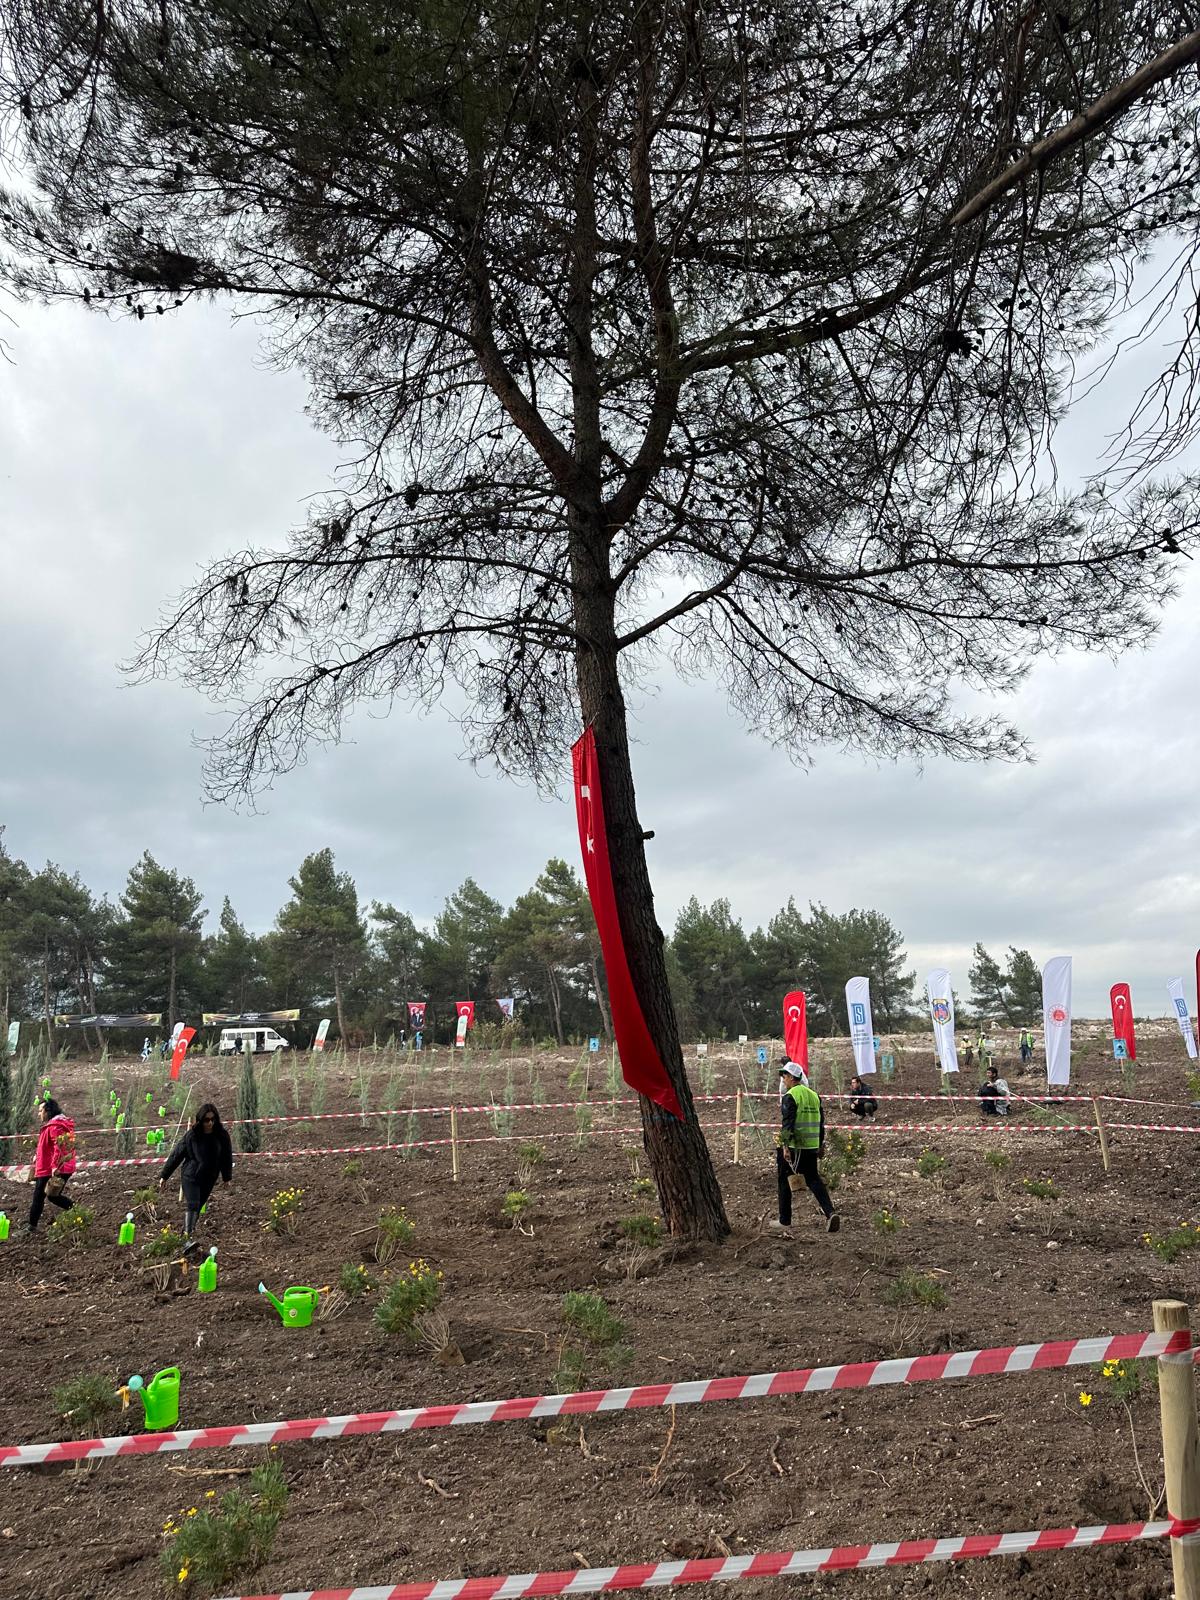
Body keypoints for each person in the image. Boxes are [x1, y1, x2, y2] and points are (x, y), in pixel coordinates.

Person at [772, 1064, 840, 1233]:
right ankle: (830, 1213)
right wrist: (821, 1144)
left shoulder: (791, 1096)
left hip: (795, 1146)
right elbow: (820, 1123)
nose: (783, 1079)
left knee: (783, 1180)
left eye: (785, 1076)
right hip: (811, 1147)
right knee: (813, 1179)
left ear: (792, 1078)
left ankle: (784, 1220)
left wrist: (785, 1147)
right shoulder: (814, 1096)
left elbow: (787, 1123)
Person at [159, 1102, 233, 1250]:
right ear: (200, 1120)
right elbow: (176, 1155)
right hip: (191, 1176)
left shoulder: (222, 1135)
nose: (210, 1123)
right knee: (192, 1204)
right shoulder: (192, 1136)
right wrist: (164, 1175)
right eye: (206, 1120)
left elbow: (226, 1157)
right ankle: (188, 1239)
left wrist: (226, 1177)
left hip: (209, 1177)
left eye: (213, 1119)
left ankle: (184, 1239)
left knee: (197, 1207)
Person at [28, 1097, 77, 1234]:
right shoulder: (57, 1124)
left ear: (48, 1111)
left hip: (53, 1168)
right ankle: (76, 1210)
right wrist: (38, 1155)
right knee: (52, 1196)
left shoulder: (56, 1126)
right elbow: (51, 1146)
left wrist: (55, 1166)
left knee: (40, 1196)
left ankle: (31, 1227)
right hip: (53, 1166)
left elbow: (59, 1147)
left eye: (40, 1111)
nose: (39, 1114)